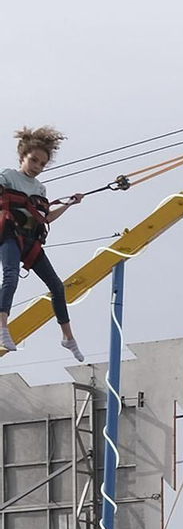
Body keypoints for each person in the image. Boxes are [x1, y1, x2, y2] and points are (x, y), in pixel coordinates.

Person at [0, 126, 87, 360]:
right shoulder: (7, 176)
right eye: (33, 161)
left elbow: (44, 218)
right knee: (11, 276)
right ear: (22, 157)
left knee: (57, 287)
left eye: (42, 164)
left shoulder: (40, 188)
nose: (37, 167)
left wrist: (68, 204)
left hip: (31, 241)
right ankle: (2, 327)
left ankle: (67, 337)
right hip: (9, 235)